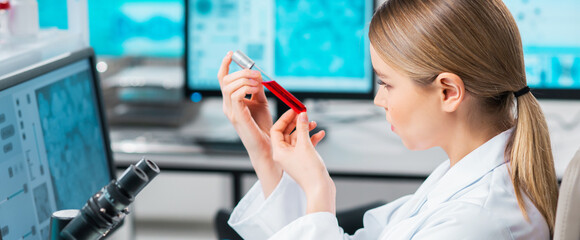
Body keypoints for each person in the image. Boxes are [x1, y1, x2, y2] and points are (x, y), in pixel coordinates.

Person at [216, 0, 559, 239]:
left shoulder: (476, 220)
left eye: (386, 83)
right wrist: (265, 152)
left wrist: (319, 190)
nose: (379, 100)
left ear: (448, 92)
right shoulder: (459, 177)